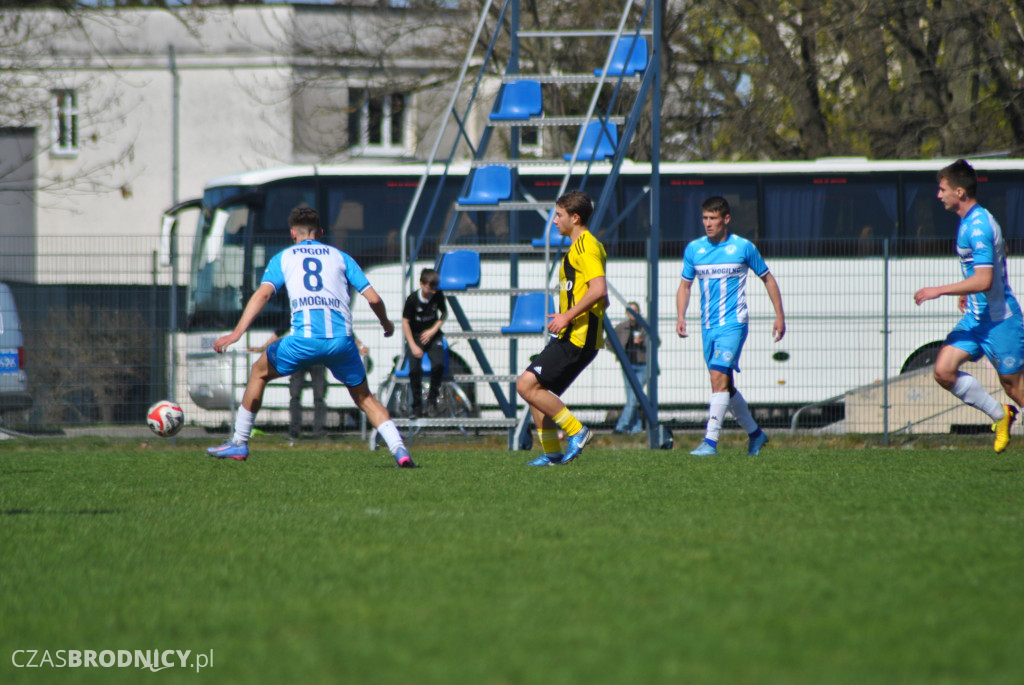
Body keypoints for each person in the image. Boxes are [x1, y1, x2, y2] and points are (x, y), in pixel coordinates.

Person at [206, 206, 415, 467]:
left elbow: (263, 294)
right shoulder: (341, 257)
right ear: (321, 232)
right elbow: (373, 298)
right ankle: (400, 450)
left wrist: (236, 334)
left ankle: (239, 442)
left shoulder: (283, 258)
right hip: (340, 343)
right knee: (365, 398)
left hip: (302, 342)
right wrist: (386, 324)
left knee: (259, 372)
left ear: (293, 233)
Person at [913, 159, 1023, 452]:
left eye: (942, 189)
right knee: (943, 371)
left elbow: (985, 279)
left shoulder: (978, 226)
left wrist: (940, 290)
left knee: (1015, 387)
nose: (939, 195)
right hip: (976, 320)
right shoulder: (971, 221)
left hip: (1000, 321)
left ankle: (1009, 407)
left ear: (959, 192)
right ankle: (1001, 416)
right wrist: (969, 289)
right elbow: (999, 255)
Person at [676, 196, 785, 457]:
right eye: (704, 218)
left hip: (734, 324)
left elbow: (768, 279)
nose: (708, 224)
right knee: (725, 384)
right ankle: (756, 435)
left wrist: (779, 316)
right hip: (708, 326)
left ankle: (710, 442)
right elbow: (685, 285)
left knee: (717, 378)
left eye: (713, 218)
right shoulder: (694, 249)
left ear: (726, 220)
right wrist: (681, 315)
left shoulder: (743, 247)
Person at [517, 190, 608, 466]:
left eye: (559, 215)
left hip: (578, 338)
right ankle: (552, 454)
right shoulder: (579, 246)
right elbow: (599, 296)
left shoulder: (586, 246)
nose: (554, 220)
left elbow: (599, 289)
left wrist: (567, 316)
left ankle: (577, 431)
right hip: (572, 335)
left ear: (575, 217)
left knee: (526, 384)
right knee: (538, 392)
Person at [250, 330, 370, 441]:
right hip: (299, 357)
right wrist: (264, 347)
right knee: (295, 396)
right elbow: (281, 330)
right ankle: (294, 432)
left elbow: (343, 327)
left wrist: (359, 346)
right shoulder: (298, 310)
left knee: (319, 397)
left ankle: (318, 431)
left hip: (316, 357)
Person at [402, 268, 448, 417]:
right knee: (414, 369)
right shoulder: (412, 300)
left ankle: (432, 401)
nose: (433, 291)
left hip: (432, 336)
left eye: (435, 288)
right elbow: (405, 322)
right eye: (430, 287)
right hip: (416, 337)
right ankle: (416, 407)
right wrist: (413, 345)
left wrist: (432, 331)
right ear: (421, 284)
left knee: (439, 365)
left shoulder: (437, 295)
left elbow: (444, 313)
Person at [609, 301, 647, 435]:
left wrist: (643, 341)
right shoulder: (622, 327)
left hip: (643, 366)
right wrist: (618, 352)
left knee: (633, 397)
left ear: (638, 312)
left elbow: (656, 341)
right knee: (632, 397)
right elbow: (609, 340)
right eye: (630, 311)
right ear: (627, 313)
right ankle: (636, 429)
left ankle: (621, 427)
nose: (632, 314)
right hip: (628, 366)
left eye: (635, 311)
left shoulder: (644, 326)